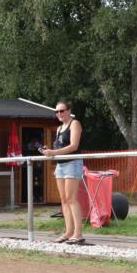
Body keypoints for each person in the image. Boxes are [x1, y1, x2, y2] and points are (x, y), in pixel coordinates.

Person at [40, 100, 85, 244]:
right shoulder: (59, 129)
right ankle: (68, 232)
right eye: (57, 111)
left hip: (73, 163)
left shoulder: (75, 124)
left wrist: (53, 152)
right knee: (64, 200)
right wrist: (49, 150)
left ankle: (78, 234)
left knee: (71, 199)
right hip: (60, 165)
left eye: (62, 110)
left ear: (68, 111)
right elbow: (60, 147)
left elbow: (73, 146)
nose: (59, 113)